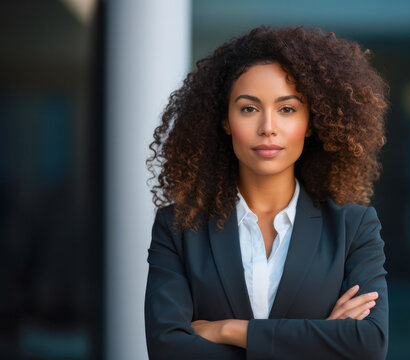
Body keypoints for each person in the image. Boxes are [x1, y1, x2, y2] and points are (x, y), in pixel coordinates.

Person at [145, 25, 389, 359]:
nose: (268, 127)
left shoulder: (353, 228)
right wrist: (321, 342)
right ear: (226, 121)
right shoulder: (178, 226)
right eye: (249, 108)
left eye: (287, 109)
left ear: (312, 122)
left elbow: (369, 344)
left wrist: (228, 330)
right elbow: (167, 349)